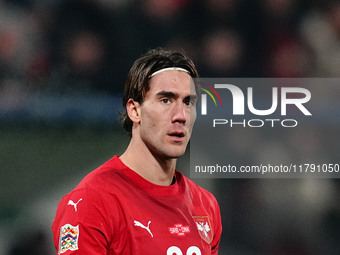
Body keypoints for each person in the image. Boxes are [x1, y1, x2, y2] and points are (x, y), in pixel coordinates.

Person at [52, 48, 222, 254]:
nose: (181, 115)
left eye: (188, 102)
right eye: (166, 100)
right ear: (134, 110)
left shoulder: (205, 205)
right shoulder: (90, 202)